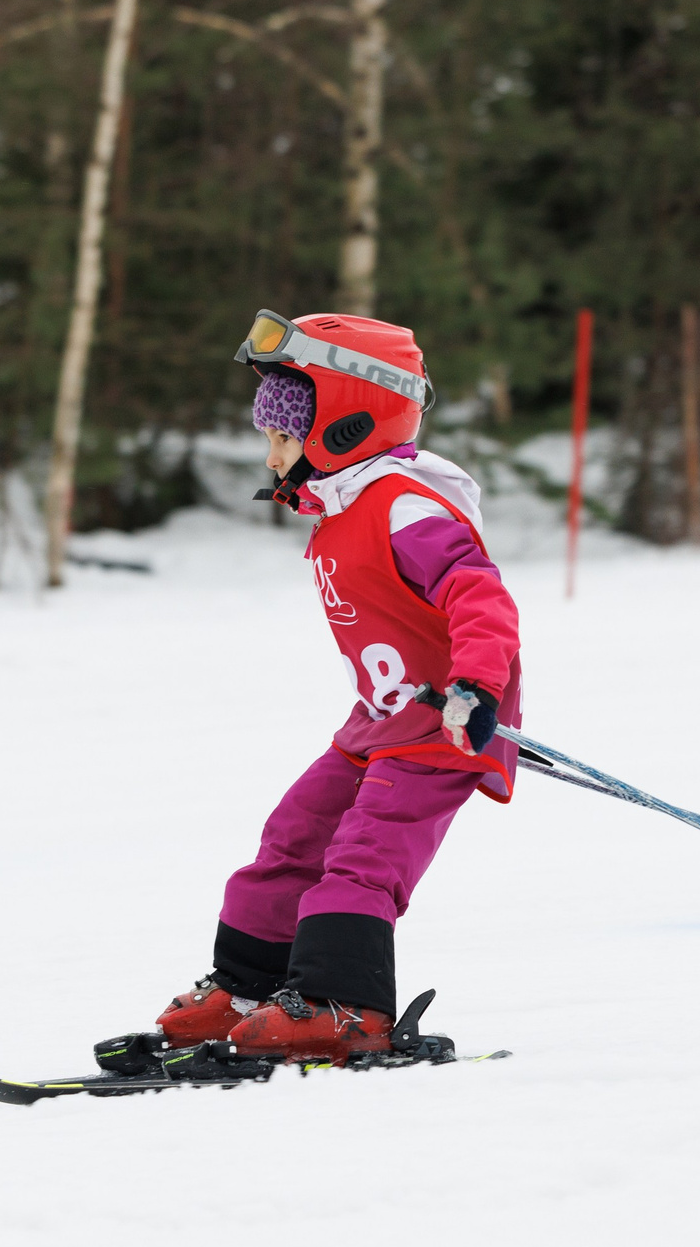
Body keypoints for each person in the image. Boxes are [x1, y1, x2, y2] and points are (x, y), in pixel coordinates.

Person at [156, 310, 523, 1063]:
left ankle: (345, 1006)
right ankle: (250, 987)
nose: (271, 452)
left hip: (440, 728)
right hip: (375, 727)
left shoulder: (403, 503)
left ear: (347, 424)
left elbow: (480, 597)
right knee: (291, 837)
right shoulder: (343, 503)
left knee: (363, 855)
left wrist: (476, 688)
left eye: (283, 435)